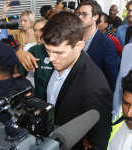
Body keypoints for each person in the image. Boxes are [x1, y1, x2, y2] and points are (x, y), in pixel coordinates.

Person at [43, 11, 112, 150]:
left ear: (79, 45)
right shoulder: (61, 60)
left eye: (58, 52)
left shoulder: (95, 89)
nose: (51, 58)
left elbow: (98, 142)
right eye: (47, 50)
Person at [75, 1, 120, 91]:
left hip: (94, 95)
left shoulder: (107, 44)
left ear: (95, 17)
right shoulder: (71, 37)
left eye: (84, 14)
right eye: (78, 14)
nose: (79, 17)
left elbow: (112, 77)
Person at [17, 19, 53, 99]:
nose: (37, 34)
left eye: (41, 30)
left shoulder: (60, 49)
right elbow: (19, 73)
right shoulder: (33, 50)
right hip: (39, 99)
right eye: (35, 30)